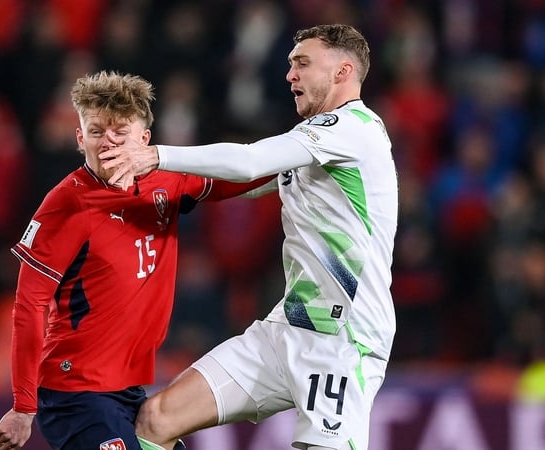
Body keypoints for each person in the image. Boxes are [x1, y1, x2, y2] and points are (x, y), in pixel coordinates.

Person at [100, 24, 398, 450]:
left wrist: (155, 156)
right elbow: (237, 181)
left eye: (302, 63)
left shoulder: (353, 129)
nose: (290, 75)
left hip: (343, 339)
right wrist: (149, 188)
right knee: (156, 418)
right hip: (288, 327)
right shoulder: (314, 143)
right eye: (290, 64)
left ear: (342, 71)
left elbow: (249, 161)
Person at [0, 70, 274, 450]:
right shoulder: (65, 205)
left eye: (120, 131)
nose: (108, 142)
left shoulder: (166, 182)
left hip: (130, 391)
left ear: (145, 139)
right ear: (80, 138)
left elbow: (245, 175)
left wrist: (304, 159)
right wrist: (23, 407)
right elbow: (29, 305)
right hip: (75, 393)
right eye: (96, 131)